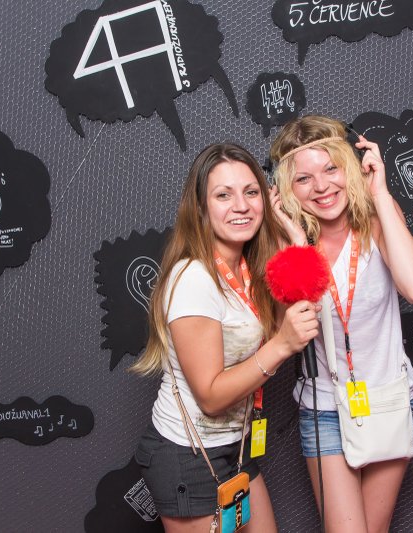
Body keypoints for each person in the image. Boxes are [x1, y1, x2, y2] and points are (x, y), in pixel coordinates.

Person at [131, 143, 320, 532]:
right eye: (223, 195)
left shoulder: (247, 270)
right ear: (200, 208)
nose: (241, 205)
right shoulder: (195, 279)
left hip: (235, 448)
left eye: (251, 192)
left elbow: (293, 314)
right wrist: (282, 345)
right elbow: (211, 397)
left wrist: (297, 240)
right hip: (187, 454)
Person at [269, 116, 413, 533]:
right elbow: (290, 329)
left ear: (350, 166)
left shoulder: (378, 221)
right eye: (303, 178)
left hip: (387, 400)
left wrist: (380, 193)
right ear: (287, 189)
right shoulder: (286, 243)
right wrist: (297, 246)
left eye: (331, 168)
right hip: (325, 407)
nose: (321, 186)